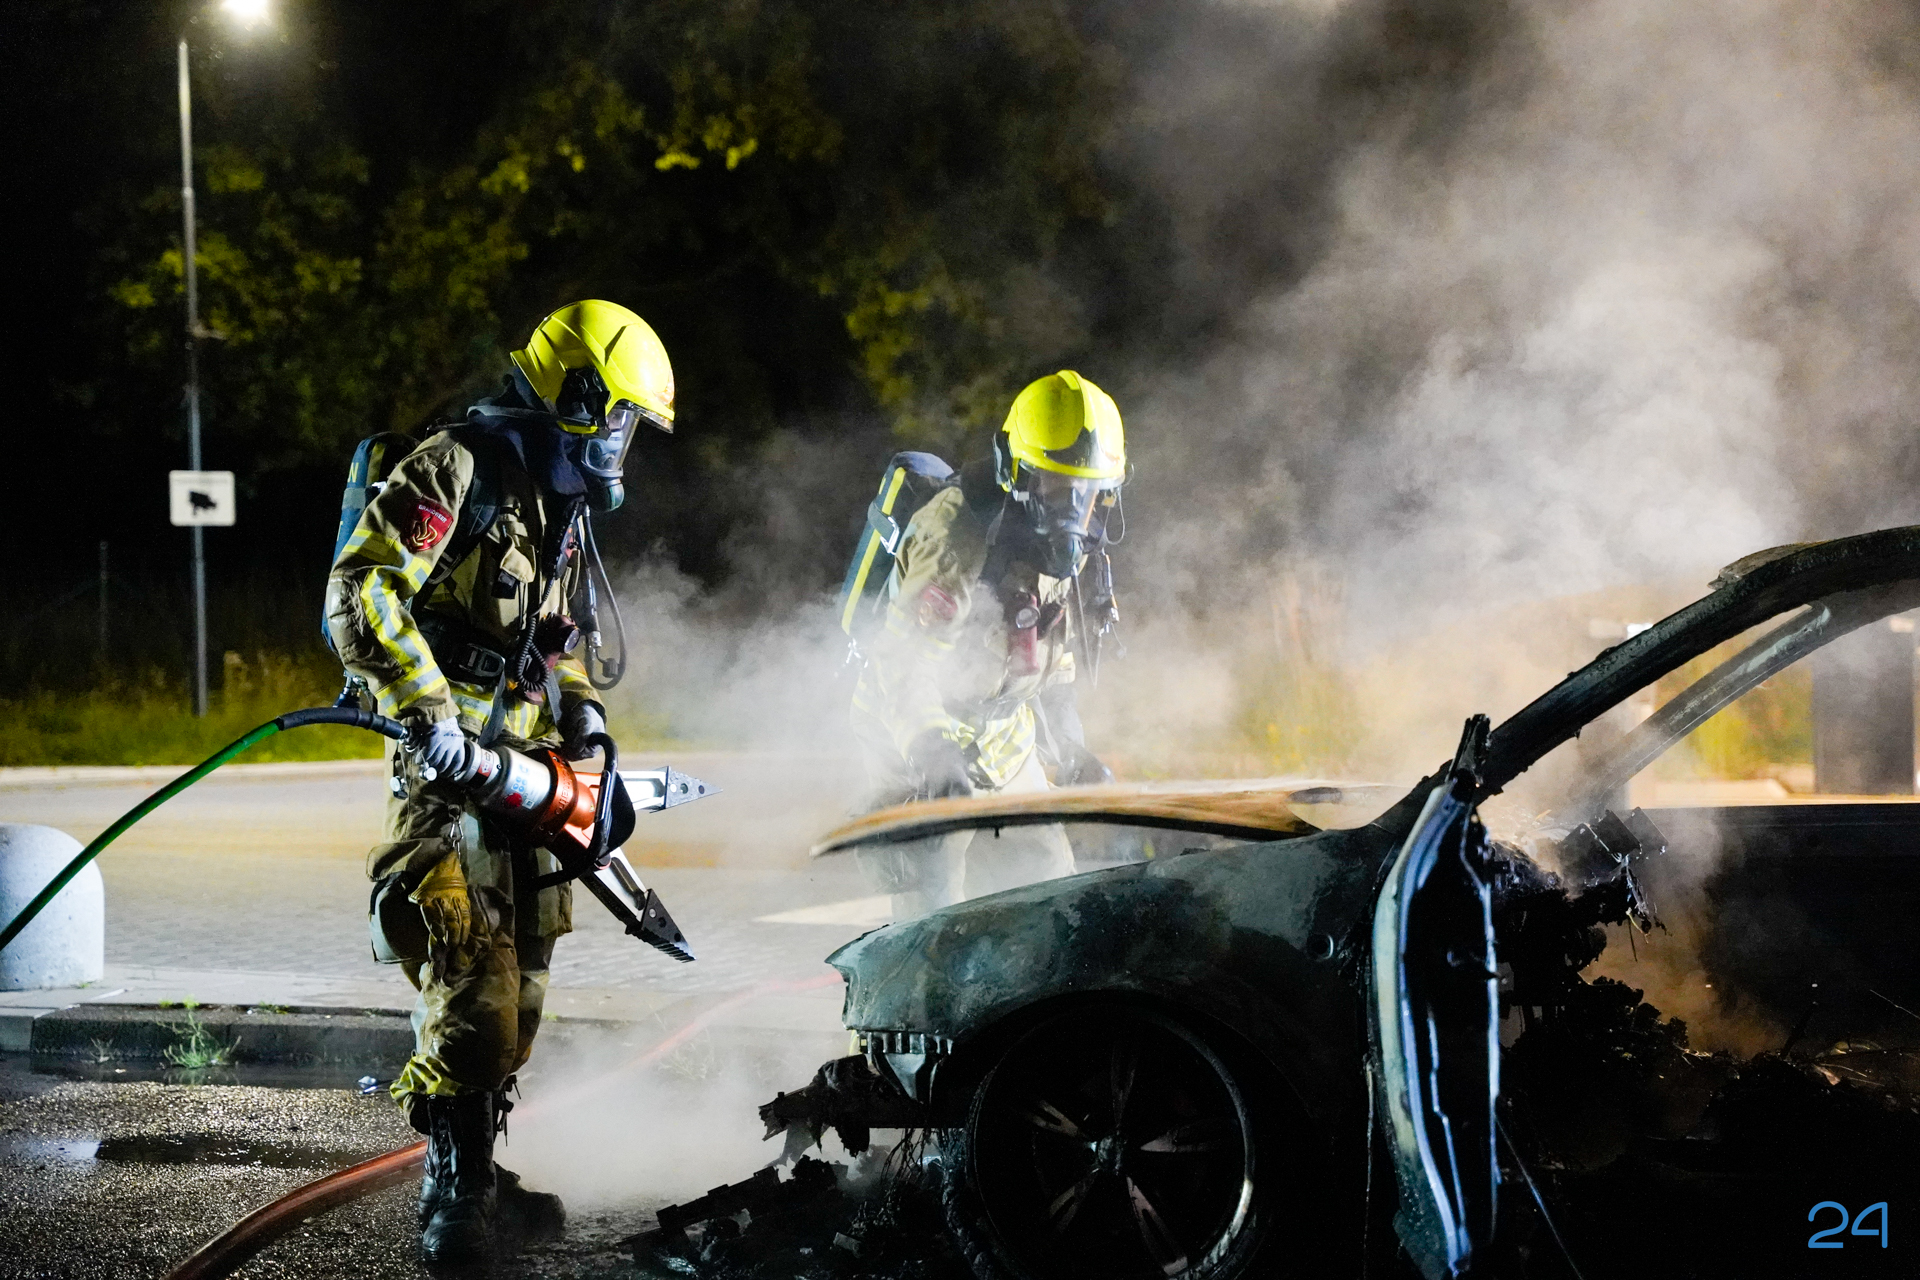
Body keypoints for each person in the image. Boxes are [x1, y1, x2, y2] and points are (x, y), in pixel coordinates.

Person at [326, 299, 672, 1262]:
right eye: (621, 420)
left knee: (520, 996)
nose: (623, 444)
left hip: (527, 771)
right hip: (447, 772)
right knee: (472, 985)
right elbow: (362, 590)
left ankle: (482, 1166)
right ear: (577, 396)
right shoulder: (458, 469)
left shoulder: (558, 505)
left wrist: (585, 723)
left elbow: (555, 644)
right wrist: (427, 710)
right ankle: (454, 1190)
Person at [849, 370, 1124, 917]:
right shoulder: (955, 538)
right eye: (1057, 488)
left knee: (1052, 890)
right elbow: (901, 667)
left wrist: (1071, 748)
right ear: (1019, 476)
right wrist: (933, 752)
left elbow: (1053, 666)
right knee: (935, 914)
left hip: (1003, 738)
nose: (1074, 512)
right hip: (915, 741)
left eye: (1088, 493)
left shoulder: (1069, 555)